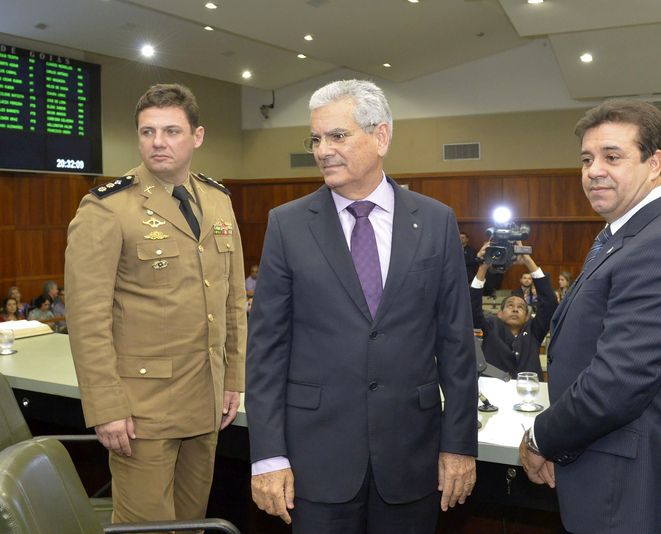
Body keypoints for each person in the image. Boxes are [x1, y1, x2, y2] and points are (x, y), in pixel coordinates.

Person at [246, 79, 477, 533]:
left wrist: (459, 445)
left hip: (413, 458)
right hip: (316, 461)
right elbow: (266, 351)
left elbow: (456, 345)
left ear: (381, 136)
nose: (322, 151)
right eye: (315, 139)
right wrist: (268, 456)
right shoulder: (288, 225)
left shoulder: (435, 220)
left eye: (337, 136)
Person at [519, 99, 661, 534]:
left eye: (612, 157)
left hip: (632, 492)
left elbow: (615, 384)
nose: (593, 171)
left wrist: (541, 436)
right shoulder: (629, 233)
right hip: (608, 473)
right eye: (586, 159)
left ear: (654, 163)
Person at [65, 83, 247, 526]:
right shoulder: (107, 208)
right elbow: (87, 319)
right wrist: (106, 407)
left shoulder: (218, 200)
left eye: (171, 131)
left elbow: (232, 300)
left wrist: (233, 379)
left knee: (192, 522)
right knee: (146, 528)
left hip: (205, 400)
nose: (158, 142)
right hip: (140, 410)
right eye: (147, 132)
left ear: (197, 136)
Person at [471, 243, 557, 378]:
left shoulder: (534, 330)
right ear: (500, 314)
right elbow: (472, 309)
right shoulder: (490, 326)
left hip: (529, 389)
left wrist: (528, 261)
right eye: (510, 306)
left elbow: (550, 304)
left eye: (521, 307)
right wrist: (483, 267)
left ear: (527, 317)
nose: (515, 309)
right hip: (493, 388)